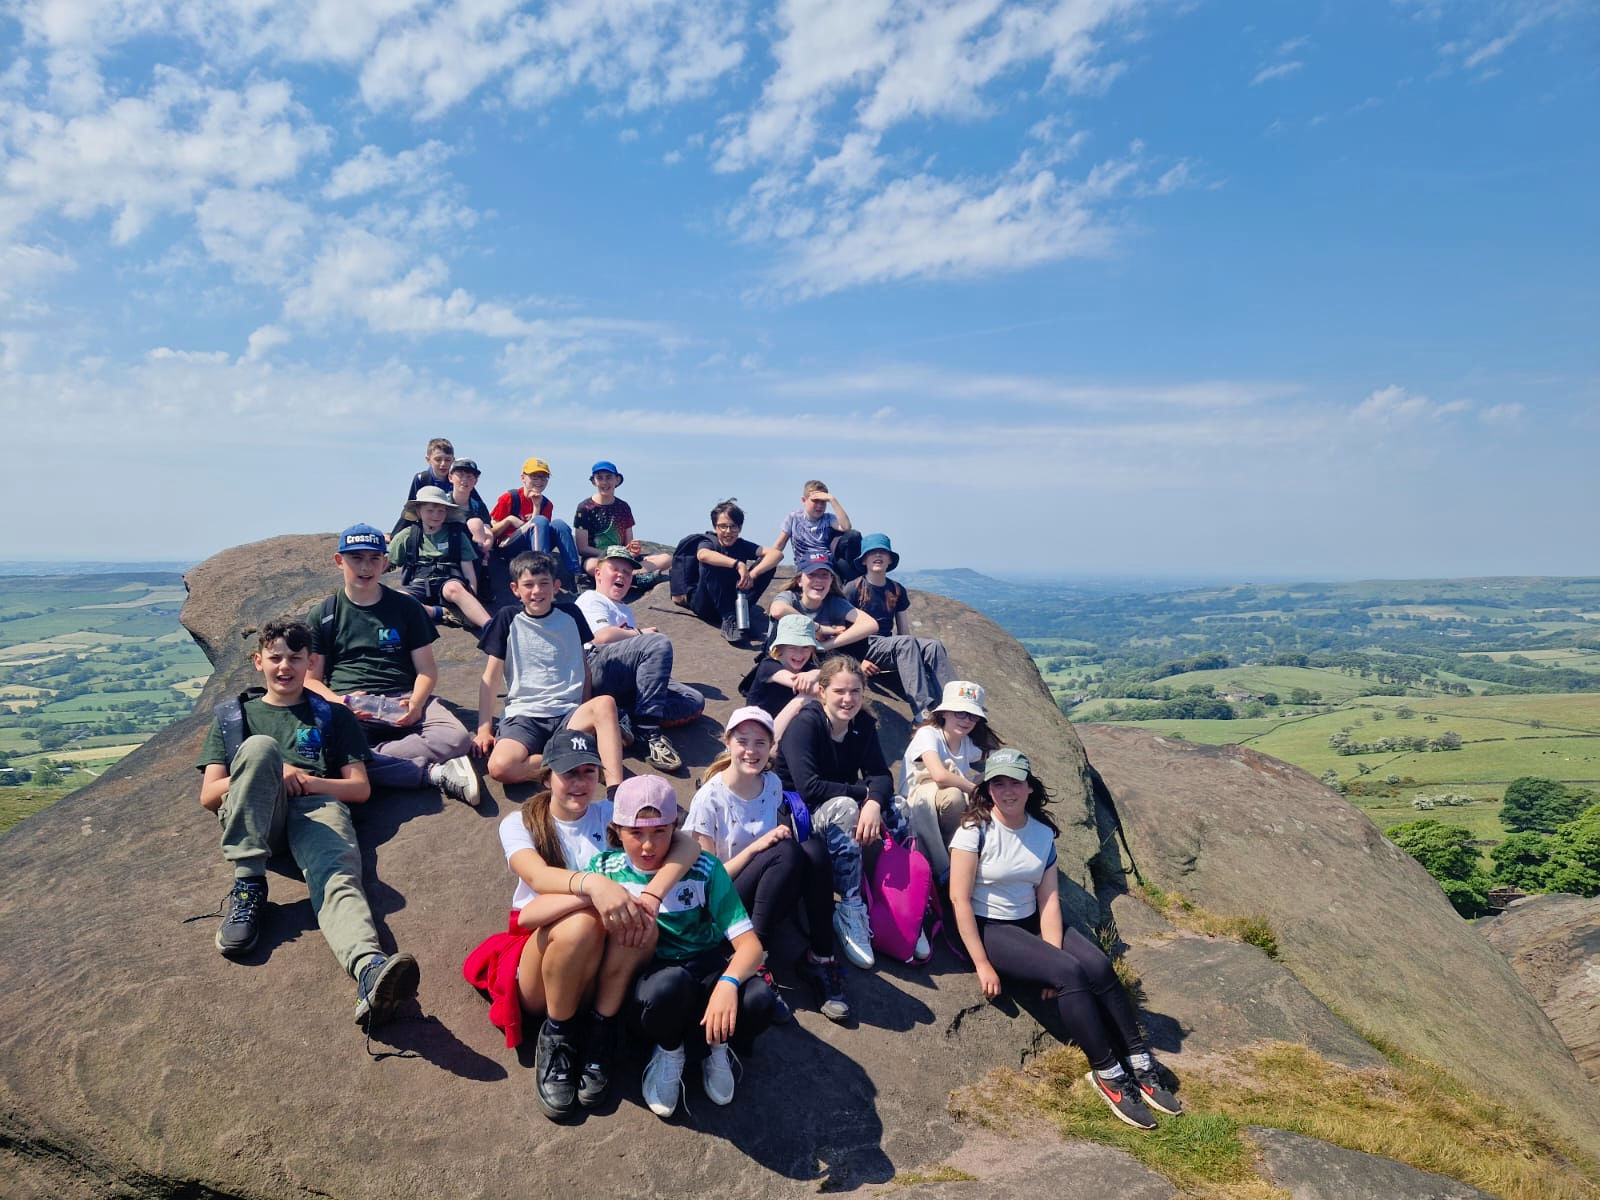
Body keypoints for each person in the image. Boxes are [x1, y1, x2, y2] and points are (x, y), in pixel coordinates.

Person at [460, 730, 697, 1119]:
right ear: (547, 774)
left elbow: (686, 842)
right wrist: (595, 886)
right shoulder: (520, 823)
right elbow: (536, 878)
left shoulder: (610, 814)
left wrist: (652, 894)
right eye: (569, 773)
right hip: (545, 963)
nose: (580, 782)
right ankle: (559, 1036)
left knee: (639, 920)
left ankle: (601, 1034)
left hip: (604, 967)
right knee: (584, 922)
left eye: (589, 772)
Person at [197, 619, 419, 1032]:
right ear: (258, 660)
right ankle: (249, 882)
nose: (285, 667)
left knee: (338, 878)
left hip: (317, 807)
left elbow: (359, 788)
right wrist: (267, 771)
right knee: (260, 748)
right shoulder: (235, 715)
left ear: (310, 662)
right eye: (276, 658)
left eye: (295, 658)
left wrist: (305, 779)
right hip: (258, 814)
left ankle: (368, 969)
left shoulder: (333, 716)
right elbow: (210, 796)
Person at [948, 749, 1183, 1131]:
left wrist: (1048, 952)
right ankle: (1107, 1073)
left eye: (1015, 782)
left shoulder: (1041, 834)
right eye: (998, 783)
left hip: (1031, 922)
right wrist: (981, 962)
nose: (1007, 791)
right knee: (1069, 974)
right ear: (988, 789)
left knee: (1098, 966)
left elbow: (1050, 899)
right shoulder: (974, 831)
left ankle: (1139, 1060)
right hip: (992, 928)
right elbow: (959, 899)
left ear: (1029, 787)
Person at [587, 776, 775, 1118]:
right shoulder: (606, 872)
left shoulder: (704, 870)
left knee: (760, 1000)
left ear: (675, 826)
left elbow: (750, 946)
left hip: (706, 964)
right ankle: (670, 1049)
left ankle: (716, 1046)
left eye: (659, 831)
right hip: (655, 975)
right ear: (617, 829)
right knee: (665, 990)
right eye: (636, 833)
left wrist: (728, 984)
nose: (648, 846)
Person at [687, 707, 852, 1024]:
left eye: (760, 742)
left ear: (771, 746)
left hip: (763, 891)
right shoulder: (709, 799)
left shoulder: (772, 784)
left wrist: (767, 850)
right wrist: (756, 850)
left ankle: (820, 957)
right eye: (743, 741)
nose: (751, 751)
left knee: (814, 851)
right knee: (786, 851)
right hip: (721, 903)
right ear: (728, 743)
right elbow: (708, 881)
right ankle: (750, 957)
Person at [304, 524, 480, 808]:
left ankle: (366, 761)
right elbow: (311, 681)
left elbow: (426, 670)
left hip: (403, 697)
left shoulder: (405, 607)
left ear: (385, 562)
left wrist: (416, 704)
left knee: (456, 738)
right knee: (324, 755)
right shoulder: (324, 614)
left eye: (374, 558)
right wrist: (340, 703)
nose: (366, 567)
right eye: (356, 558)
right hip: (350, 705)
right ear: (340, 561)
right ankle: (433, 773)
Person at [775, 655, 915, 973]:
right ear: (822, 691)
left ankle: (901, 902)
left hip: (840, 802)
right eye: (839, 691)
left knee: (900, 808)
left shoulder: (861, 724)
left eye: (855, 691)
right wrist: (864, 796)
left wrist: (875, 802)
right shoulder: (806, 724)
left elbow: (880, 774)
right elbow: (809, 788)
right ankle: (849, 906)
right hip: (801, 815)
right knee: (846, 808)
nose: (848, 699)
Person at [473, 551, 626, 788]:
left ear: (556, 586)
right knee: (500, 767)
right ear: (515, 589)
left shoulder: (572, 615)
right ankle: (576, 762)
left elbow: (583, 667)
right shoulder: (507, 618)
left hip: (568, 714)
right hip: (524, 714)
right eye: (528, 585)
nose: (537, 591)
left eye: (544, 583)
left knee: (605, 703)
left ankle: (616, 791)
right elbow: (490, 678)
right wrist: (484, 729)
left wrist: (584, 709)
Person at [769, 552, 953, 723]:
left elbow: (870, 625)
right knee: (904, 643)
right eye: (811, 574)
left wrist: (825, 645)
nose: (818, 580)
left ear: (832, 579)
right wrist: (820, 628)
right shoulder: (790, 598)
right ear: (799, 580)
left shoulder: (833, 602)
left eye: (824, 575)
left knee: (932, 646)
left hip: (824, 658)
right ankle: (925, 713)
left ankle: (954, 704)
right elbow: (777, 610)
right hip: (792, 665)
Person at [574, 545, 704, 773]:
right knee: (658, 642)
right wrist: (641, 633)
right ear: (598, 573)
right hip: (595, 668)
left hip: (624, 678)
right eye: (615, 569)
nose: (621, 575)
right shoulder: (591, 598)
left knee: (692, 699)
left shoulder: (625, 610)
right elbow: (601, 637)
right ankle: (647, 732)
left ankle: (625, 720)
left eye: (626, 572)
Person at [901, 680, 1002, 883]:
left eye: (973, 715)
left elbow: (996, 757)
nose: (966, 720)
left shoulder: (965, 742)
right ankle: (951, 862)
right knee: (955, 796)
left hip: (947, 804)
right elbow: (939, 775)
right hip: (918, 800)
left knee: (994, 782)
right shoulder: (928, 734)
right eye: (960, 712)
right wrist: (976, 789)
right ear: (944, 712)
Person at [386, 486, 492, 630]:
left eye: (441, 510)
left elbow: (468, 569)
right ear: (418, 511)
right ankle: (436, 612)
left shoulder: (456, 535)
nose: (436, 515)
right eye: (430, 510)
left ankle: (491, 627)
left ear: (447, 512)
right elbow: (387, 563)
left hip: (448, 579)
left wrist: (472, 595)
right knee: (397, 599)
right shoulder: (407, 535)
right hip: (419, 582)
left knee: (454, 588)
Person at [680, 499, 779, 643]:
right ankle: (729, 619)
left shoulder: (741, 545)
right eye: (723, 527)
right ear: (715, 528)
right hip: (706, 604)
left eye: (733, 527)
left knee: (767, 565)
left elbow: (776, 554)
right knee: (710, 562)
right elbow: (703, 555)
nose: (728, 531)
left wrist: (752, 575)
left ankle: (741, 614)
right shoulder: (708, 542)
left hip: (735, 600)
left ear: (740, 528)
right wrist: (738, 564)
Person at [489, 457, 581, 592]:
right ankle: (542, 571)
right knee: (541, 521)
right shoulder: (510, 497)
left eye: (544, 478)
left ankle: (576, 575)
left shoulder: (546, 504)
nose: (539, 481)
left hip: (533, 543)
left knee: (559, 524)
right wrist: (509, 520)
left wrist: (536, 507)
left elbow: (539, 532)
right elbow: (492, 532)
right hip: (508, 545)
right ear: (523, 478)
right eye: (534, 477)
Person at [573, 460, 670, 579]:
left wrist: (632, 549)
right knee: (591, 566)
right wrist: (609, 553)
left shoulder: (623, 507)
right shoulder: (585, 507)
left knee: (667, 558)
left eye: (609, 477)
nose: (604, 482)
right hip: (600, 557)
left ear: (617, 480)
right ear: (594, 481)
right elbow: (582, 548)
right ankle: (634, 576)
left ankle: (630, 575)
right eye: (600, 478)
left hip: (623, 556)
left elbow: (628, 542)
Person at [742, 613, 821, 741]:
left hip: (789, 730)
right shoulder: (769, 666)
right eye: (792, 647)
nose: (799, 654)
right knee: (810, 695)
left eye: (806, 647)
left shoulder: (810, 670)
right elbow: (797, 682)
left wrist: (815, 673)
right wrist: (819, 677)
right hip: (756, 730)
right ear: (780, 648)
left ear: (813, 649)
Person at [764, 479, 861, 580]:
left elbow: (846, 527)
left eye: (823, 502)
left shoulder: (828, 518)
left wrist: (833, 500)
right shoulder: (794, 517)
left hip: (826, 560)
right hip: (806, 562)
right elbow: (779, 545)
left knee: (854, 536)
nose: (819, 506)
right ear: (804, 501)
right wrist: (767, 558)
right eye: (815, 501)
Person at [391, 436, 475, 534]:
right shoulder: (422, 478)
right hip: (427, 526)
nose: (443, 464)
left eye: (447, 460)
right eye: (438, 459)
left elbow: (475, 504)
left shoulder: (459, 480)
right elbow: (411, 508)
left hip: (454, 525)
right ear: (428, 459)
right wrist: (394, 535)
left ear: (453, 460)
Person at [445, 458, 495, 578]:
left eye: (469, 476)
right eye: (460, 475)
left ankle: (481, 577)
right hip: (446, 543)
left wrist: (488, 542)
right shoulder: (442, 503)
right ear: (450, 477)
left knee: (476, 524)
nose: (465, 480)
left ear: (475, 481)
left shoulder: (477, 505)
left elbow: (487, 528)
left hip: (472, 547)